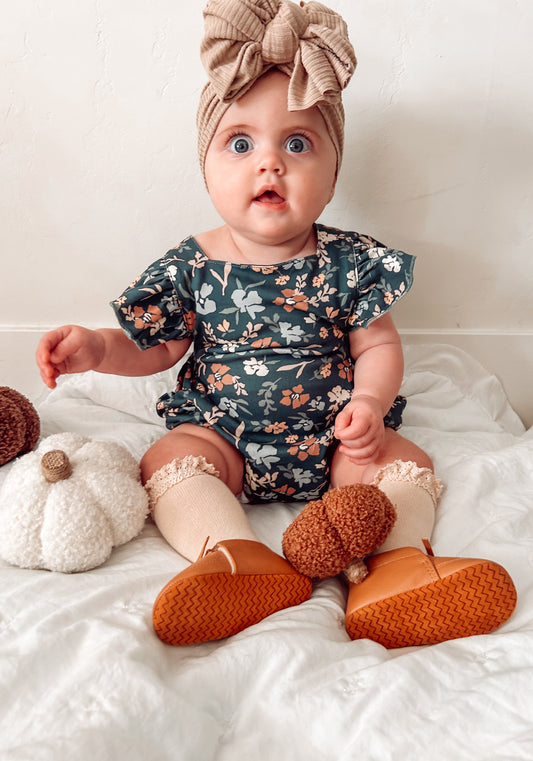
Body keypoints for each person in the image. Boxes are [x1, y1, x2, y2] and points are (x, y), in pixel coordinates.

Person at [36, 0, 516, 648]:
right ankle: (235, 557)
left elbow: (377, 344)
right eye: (240, 143)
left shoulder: (349, 261)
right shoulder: (192, 264)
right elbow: (158, 349)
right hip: (223, 436)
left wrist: (371, 405)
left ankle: (398, 567)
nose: (270, 163)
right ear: (206, 166)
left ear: (332, 172)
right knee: (167, 459)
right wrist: (98, 348)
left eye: (297, 143)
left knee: (403, 462)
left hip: (337, 440)